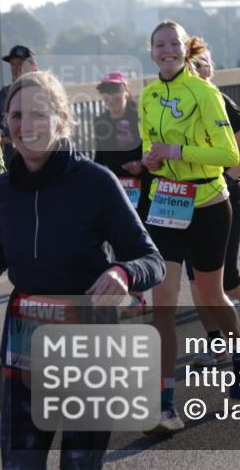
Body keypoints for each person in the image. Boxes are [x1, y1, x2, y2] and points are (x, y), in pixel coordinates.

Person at [0, 71, 166, 469]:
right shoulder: (1, 191)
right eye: (16, 115)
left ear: (62, 119)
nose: (26, 125)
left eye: (38, 114)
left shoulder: (95, 182)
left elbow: (150, 259)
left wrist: (123, 273)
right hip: (24, 345)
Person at [140, 21, 240, 433]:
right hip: (166, 203)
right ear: (151, 51)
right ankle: (164, 403)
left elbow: (228, 153)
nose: (167, 50)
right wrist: (151, 158)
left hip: (208, 204)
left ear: (185, 49)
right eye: (160, 44)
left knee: (209, 295)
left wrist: (177, 150)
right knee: (162, 303)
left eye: (174, 43)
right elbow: (149, 144)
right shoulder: (148, 95)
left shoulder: (205, 93)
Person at [187, 49, 240, 368]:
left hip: (222, 196)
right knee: (195, 278)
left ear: (210, 70)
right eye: (189, 65)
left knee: (227, 276)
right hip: (185, 199)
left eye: (201, 64)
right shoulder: (177, 107)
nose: (194, 70)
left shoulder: (221, 102)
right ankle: (216, 343)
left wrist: (221, 180)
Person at [93, 71, 151, 316]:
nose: (111, 97)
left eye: (115, 90)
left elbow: (153, 148)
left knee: (138, 240)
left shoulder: (139, 116)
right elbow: (99, 157)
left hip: (143, 187)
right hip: (116, 191)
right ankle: (132, 296)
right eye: (106, 92)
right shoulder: (101, 122)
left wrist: (142, 165)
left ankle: (139, 295)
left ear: (125, 91)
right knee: (117, 241)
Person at [0, 45, 38, 166]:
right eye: (13, 64)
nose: (16, 68)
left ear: (32, 66)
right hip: (10, 162)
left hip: (35, 160)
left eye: (20, 63)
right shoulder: (3, 94)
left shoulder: (40, 93)